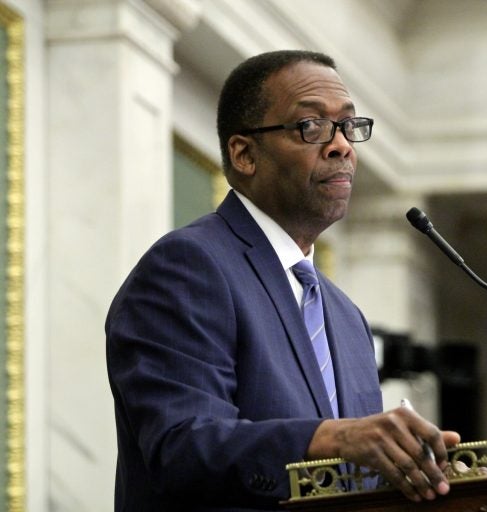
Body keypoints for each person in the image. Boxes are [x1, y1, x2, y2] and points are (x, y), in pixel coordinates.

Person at [105, 50, 460, 511]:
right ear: (245, 154)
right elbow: (181, 447)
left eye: (349, 127)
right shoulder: (189, 266)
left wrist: (423, 476)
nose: (342, 146)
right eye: (310, 126)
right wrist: (334, 438)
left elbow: (350, 479)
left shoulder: (346, 317)